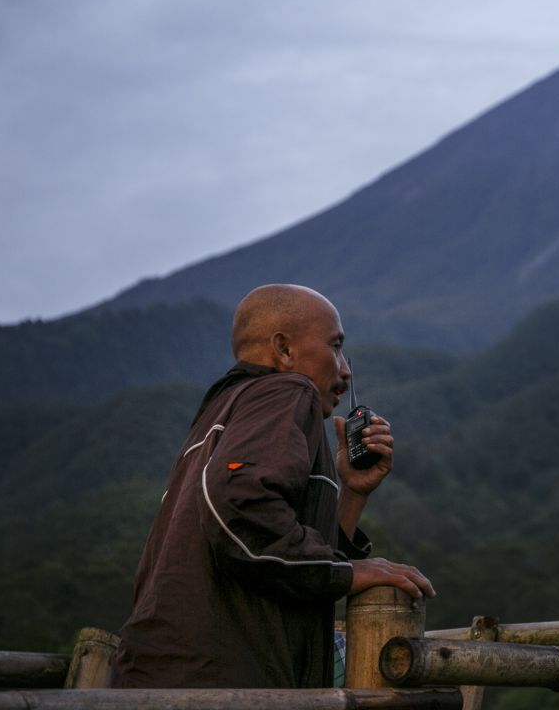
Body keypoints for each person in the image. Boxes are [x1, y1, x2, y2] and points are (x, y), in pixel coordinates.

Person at [109, 284, 434, 688]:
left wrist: (352, 492)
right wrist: (347, 572)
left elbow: (269, 550)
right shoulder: (288, 389)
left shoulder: (220, 413)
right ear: (284, 350)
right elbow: (240, 503)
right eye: (335, 346)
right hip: (216, 686)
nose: (345, 370)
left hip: (156, 676)